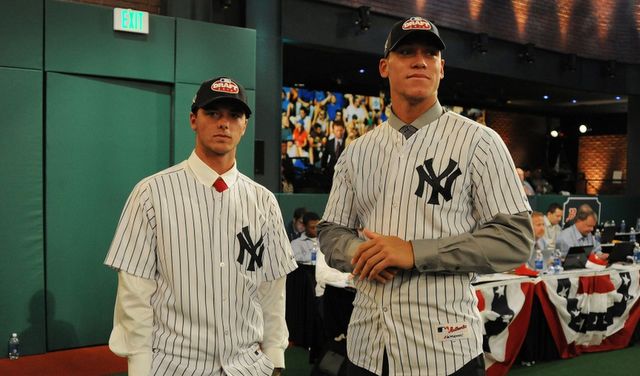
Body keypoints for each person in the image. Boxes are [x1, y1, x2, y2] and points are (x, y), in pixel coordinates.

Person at [318, 16, 533, 376]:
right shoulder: (357, 152)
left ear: (441, 68)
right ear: (385, 67)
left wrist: (415, 252)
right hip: (366, 346)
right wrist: (362, 252)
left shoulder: (479, 141)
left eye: (430, 54)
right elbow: (330, 232)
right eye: (406, 52)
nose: (420, 60)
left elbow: (515, 239)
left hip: (444, 349)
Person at [104, 77, 298, 376]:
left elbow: (272, 290)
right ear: (194, 119)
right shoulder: (151, 194)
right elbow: (135, 294)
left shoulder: (264, 201)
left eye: (234, 115)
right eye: (213, 113)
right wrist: (139, 368)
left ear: (244, 125)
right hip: (175, 366)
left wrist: (274, 358)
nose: (224, 124)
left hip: (247, 366)